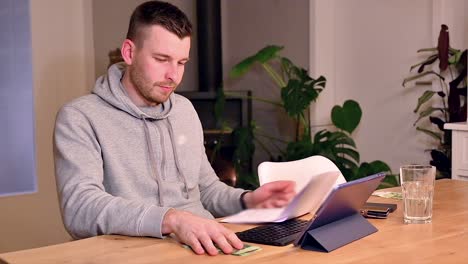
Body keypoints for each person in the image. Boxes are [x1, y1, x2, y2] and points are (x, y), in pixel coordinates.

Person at [53, 0, 295, 256]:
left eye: (181, 62)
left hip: (202, 248)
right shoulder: (80, 117)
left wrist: (248, 200)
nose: (174, 76)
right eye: (162, 59)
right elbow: (79, 208)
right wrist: (172, 219)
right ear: (129, 52)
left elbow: (206, 189)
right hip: (132, 255)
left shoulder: (184, 110)